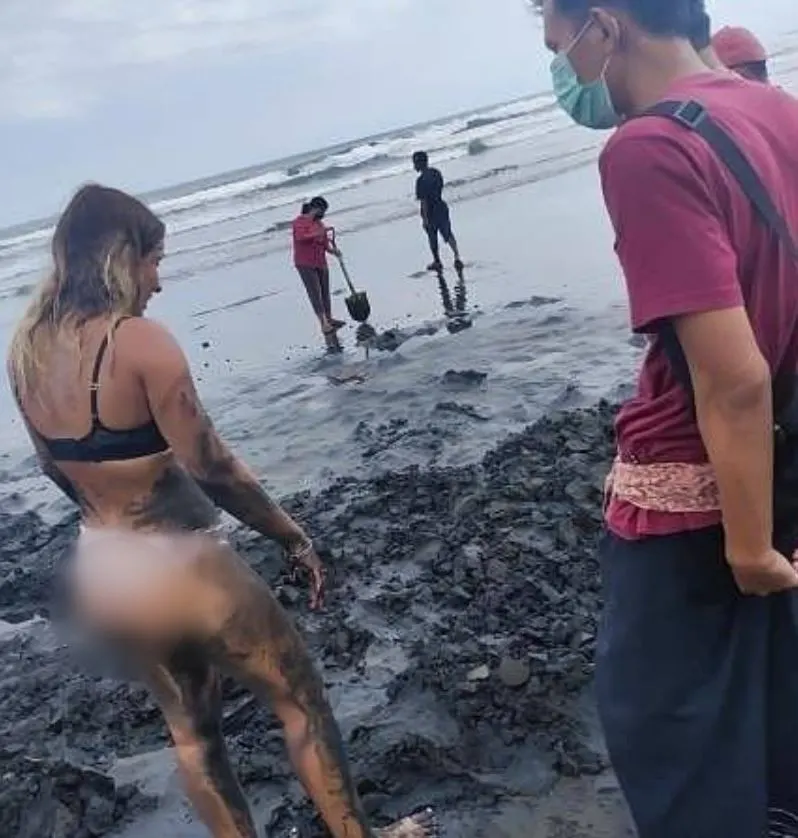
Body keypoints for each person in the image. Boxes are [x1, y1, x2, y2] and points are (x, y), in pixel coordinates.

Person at [6, 184, 436, 838]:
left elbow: (49, 467)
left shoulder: (25, 352)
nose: (159, 280)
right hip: (186, 569)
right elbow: (215, 469)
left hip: (109, 568)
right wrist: (291, 536)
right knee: (300, 702)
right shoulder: (141, 343)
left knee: (193, 737)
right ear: (122, 259)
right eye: (154, 260)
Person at [541, 0, 798, 835]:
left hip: (694, 487)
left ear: (606, 27)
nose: (568, 73)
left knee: (665, 729)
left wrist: (749, 546)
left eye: (563, 46)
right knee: (771, 705)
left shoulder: (649, 145)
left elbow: (733, 378)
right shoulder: (774, 108)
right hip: (785, 464)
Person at [292, 196, 345, 342]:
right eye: (322, 211)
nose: (323, 214)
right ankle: (323, 324)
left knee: (325, 292)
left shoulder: (319, 223)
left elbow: (324, 244)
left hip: (320, 261)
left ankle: (329, 318)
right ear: (315, 208)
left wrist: (333, 251)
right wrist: (318, 233)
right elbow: (302, 237)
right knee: (315, 293)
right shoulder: (299, 222)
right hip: (305, 263)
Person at [412, 151, 464, 273]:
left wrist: (425, 219)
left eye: (415, 163)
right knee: (448, 233)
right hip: (441, 206)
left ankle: (437, 261)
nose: (414, 166)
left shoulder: (420, 180)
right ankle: (457, 256)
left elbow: (423, 201)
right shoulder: (436, 173)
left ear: (419, 163)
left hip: (430, 212)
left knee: (432, 237)